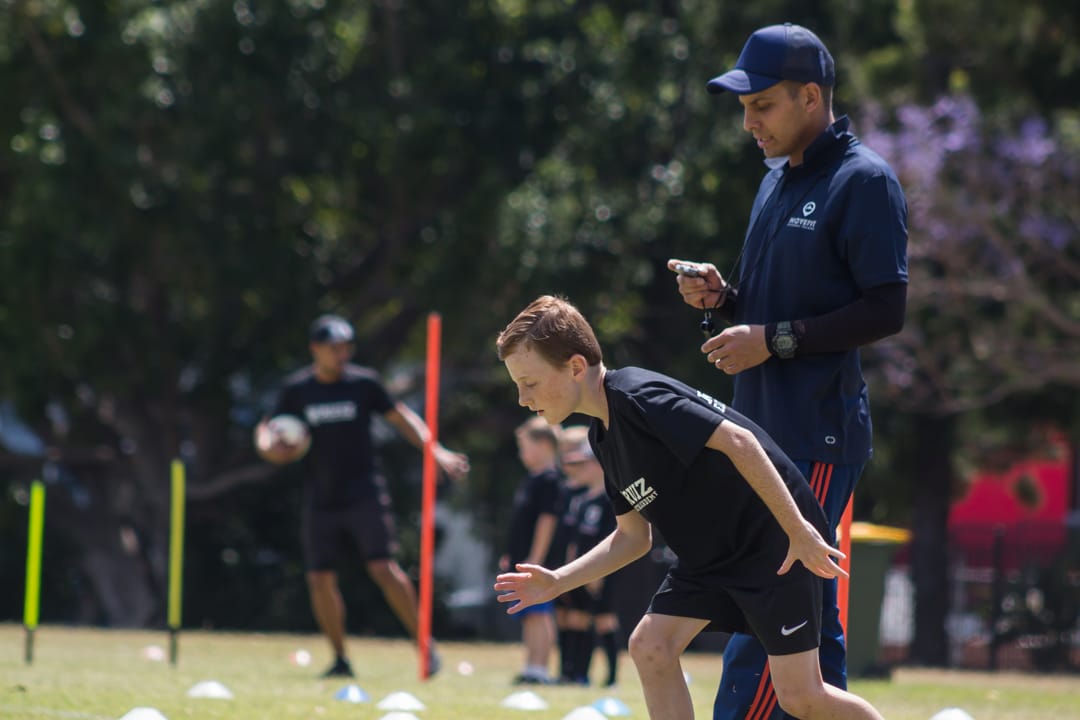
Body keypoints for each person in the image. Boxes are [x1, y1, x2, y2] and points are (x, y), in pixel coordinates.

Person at [668, 22, 908, 720]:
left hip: (814, 439)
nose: (749, 123)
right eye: (743, 108)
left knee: (764, 620)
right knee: (812, 636)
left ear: (811, 96)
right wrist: (723, 302)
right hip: (760, 432)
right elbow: (776, 307)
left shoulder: (864, 181)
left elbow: (885, 309)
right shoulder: (777, 183)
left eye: (762, 105)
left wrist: (770, 341)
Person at [493, 295, 886, 720]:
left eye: (528, 383)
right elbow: (632, 538)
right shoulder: (603, 436)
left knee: (801, 697)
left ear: (574, 367)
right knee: (650, 646)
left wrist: (798, 530)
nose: (521, 398)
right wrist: (557, 582)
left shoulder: (640, 396)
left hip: (772, 546)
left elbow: (741, 441)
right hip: (708, 561)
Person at [256, 313, 470, 679]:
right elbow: (269, 429)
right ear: (315, 350)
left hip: (364, 492)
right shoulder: (297, 390)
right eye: (333, 348)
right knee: (319, 578)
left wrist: (436, 451)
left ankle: (424, 645)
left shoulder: (364, 384)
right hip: (321, 497)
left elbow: (402, 417)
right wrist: (267, 447)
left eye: (346, 347)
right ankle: (340, 659)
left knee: (383, 568)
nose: (342, 354)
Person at [500, 416, 564, 684]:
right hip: (521, 558)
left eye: (525, 446)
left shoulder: (550, 479)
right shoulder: (532, 479)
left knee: (539, 613)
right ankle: (530, 666)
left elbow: (547, 521)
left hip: (536, 561)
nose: (521, 453)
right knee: (529, 615)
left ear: (544, 444)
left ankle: (540, 668)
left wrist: (535, 559)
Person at [558, 429, 619, 687]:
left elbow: (613, 538)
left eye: (584, 464)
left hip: (602, 571)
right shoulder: (582, 500)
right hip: (582, 571)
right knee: (578, 619)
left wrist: (600, 573)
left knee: (605, 621)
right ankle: (576, 674)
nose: (579, 469)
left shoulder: (610, 499)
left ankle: (612, 678)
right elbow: (577, 540)